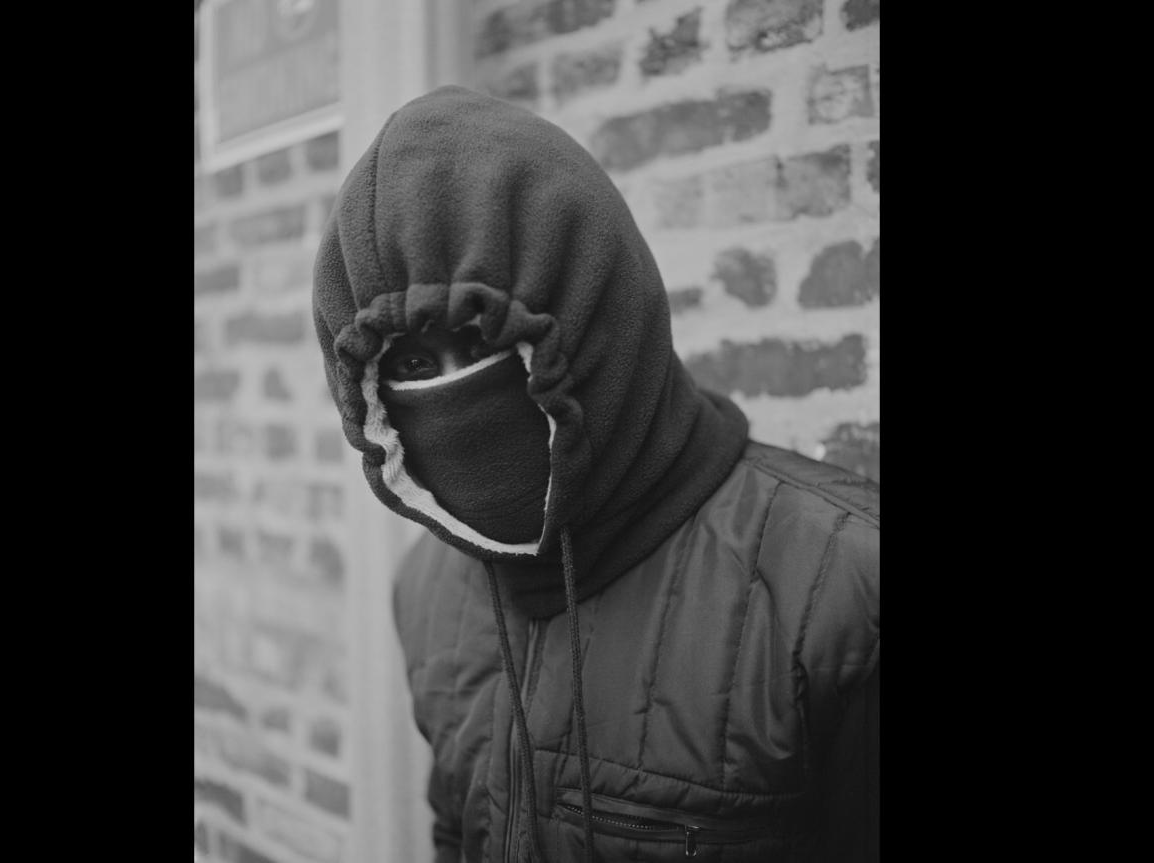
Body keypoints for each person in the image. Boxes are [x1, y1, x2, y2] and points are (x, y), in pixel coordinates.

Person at [314, 86, 880, 863]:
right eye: (412, 364)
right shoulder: (428, 589)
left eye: (483, 336)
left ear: (595, 314)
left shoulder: (842, 587)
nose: (455, 395)